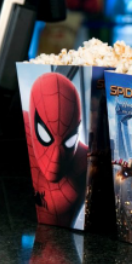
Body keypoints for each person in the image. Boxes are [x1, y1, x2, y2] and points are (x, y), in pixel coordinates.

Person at [24, 73, 87, 227]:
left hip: (64, 237)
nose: (56, 157)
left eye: (69, 141)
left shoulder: (85, 160)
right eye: (44, 134)